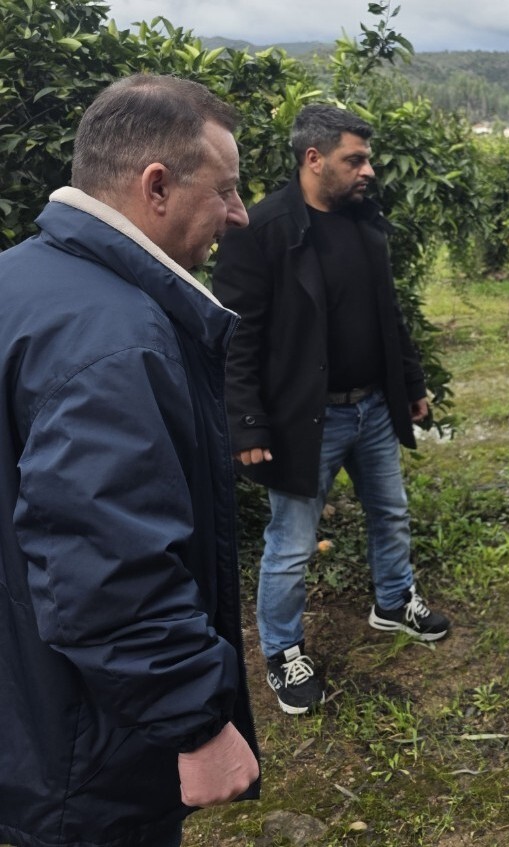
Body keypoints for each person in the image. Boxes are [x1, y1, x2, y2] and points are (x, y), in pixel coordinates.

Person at [0, 74, 260, 847]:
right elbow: (107, 567)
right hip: (85, 762)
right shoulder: (115, 339)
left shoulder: (18, 281)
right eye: (227, 191)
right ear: (156, 186)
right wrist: (197, 723)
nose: (239, 216)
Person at [212, 104, 450, 717]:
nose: (368, 170)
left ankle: (393, 601)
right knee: (291, 543)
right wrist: (246, 421)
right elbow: (239, 336)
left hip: (371, 407)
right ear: (313, 159)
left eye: (366, 158)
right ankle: (283, 652)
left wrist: (411, 383)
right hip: (305, 419)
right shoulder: (260, 230)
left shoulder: (363, 221)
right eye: (356, 159)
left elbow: (388, 316)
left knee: (391, 513)